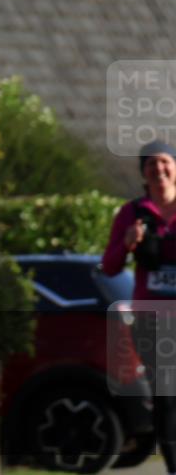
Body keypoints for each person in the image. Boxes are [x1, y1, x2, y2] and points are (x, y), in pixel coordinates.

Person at [102, 139, 176, 474]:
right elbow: (110, 266)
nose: (159, 170)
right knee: (167, 397)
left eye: (165, 162)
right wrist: (128, 243)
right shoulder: (132, 213)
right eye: (151, 165)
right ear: (143, 174)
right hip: (151, 319)